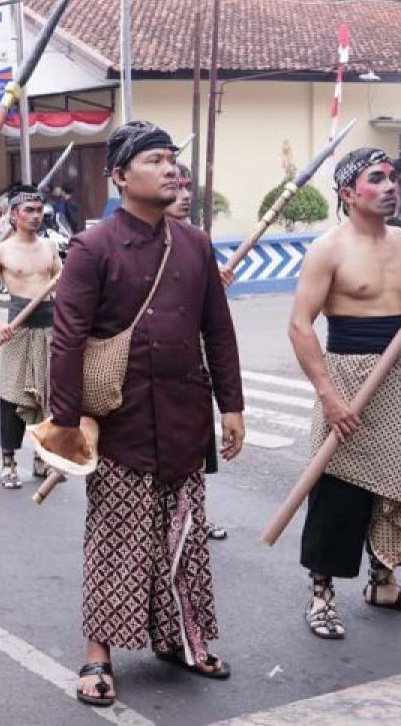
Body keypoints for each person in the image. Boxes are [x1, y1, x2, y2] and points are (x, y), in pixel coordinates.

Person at [36, 121, 246, 706]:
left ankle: (182, 638)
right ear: (121, 176)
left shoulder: (197, 244)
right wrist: (65, 421)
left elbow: (217, 330)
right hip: (118, 422)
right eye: (156, 160)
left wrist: (231, 405)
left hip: (184, 416)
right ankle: (98, 654)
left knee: (182, 536)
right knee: (118, 539)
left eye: (173, 159)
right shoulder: (92, 247)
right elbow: (68, 338)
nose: (171, 169)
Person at [289, 147, 401, 640]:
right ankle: (321, 593)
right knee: (339, 488)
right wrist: (328, 395)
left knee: (398, 482)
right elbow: (300, 327)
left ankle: (383, 583)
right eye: (377, 178)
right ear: (349, 194)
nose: (390, 186)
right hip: (348, 378)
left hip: (397, 379)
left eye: (392, 177)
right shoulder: (327, 249)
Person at [0, 185, 60, 489]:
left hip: (49, 327)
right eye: (29, 211)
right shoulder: (1, 252)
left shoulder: (50, 247)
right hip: (17, 329)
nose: (36, 216)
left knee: (48, 394)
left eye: (39, 210)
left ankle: (42, 458)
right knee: (13, 395)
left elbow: (61, 285)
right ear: (14, 215)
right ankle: (8, 462)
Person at [167, 165, 229, 541]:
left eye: (189, 188)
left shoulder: (197, 240)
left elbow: (213, 317)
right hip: (153, 365)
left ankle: (195, 516)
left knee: (197, 443)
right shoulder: (135, 240)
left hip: (193, 358)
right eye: (178, 188)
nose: (186, 196)